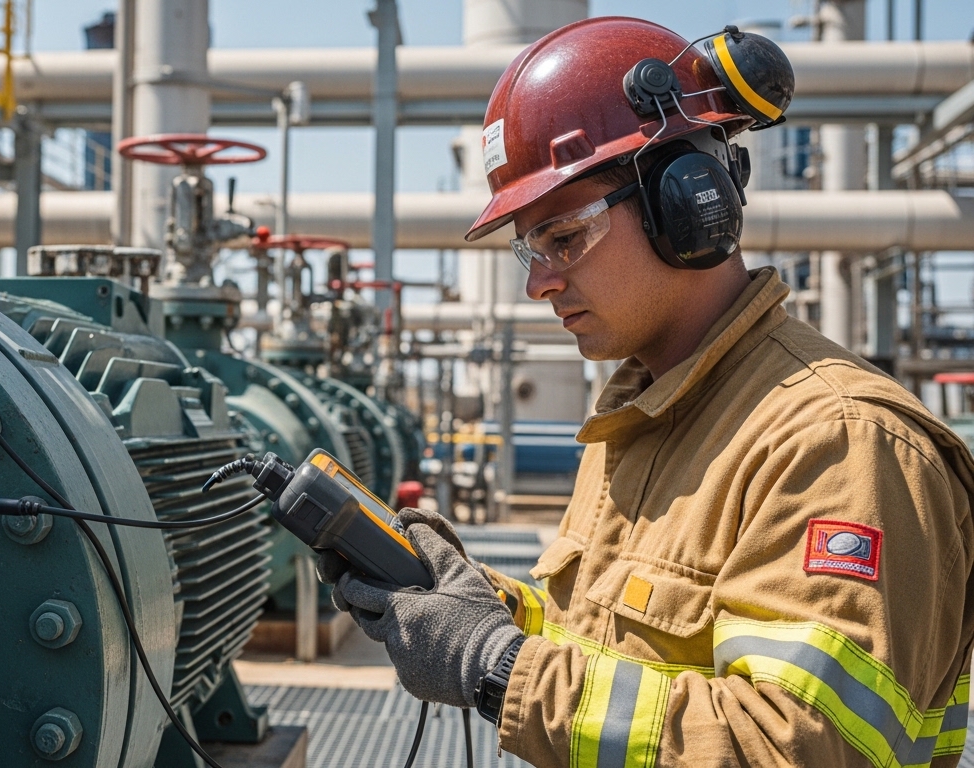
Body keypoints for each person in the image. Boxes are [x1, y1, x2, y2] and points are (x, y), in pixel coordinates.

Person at [320, 16, 974, 768]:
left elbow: (792, 746)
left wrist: (498, 666)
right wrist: (483, 608)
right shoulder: (639, 421)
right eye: (528, 250)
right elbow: (613, 657)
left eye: (564, 238)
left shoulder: (838, 443)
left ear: (688, 202)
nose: (539, 282)